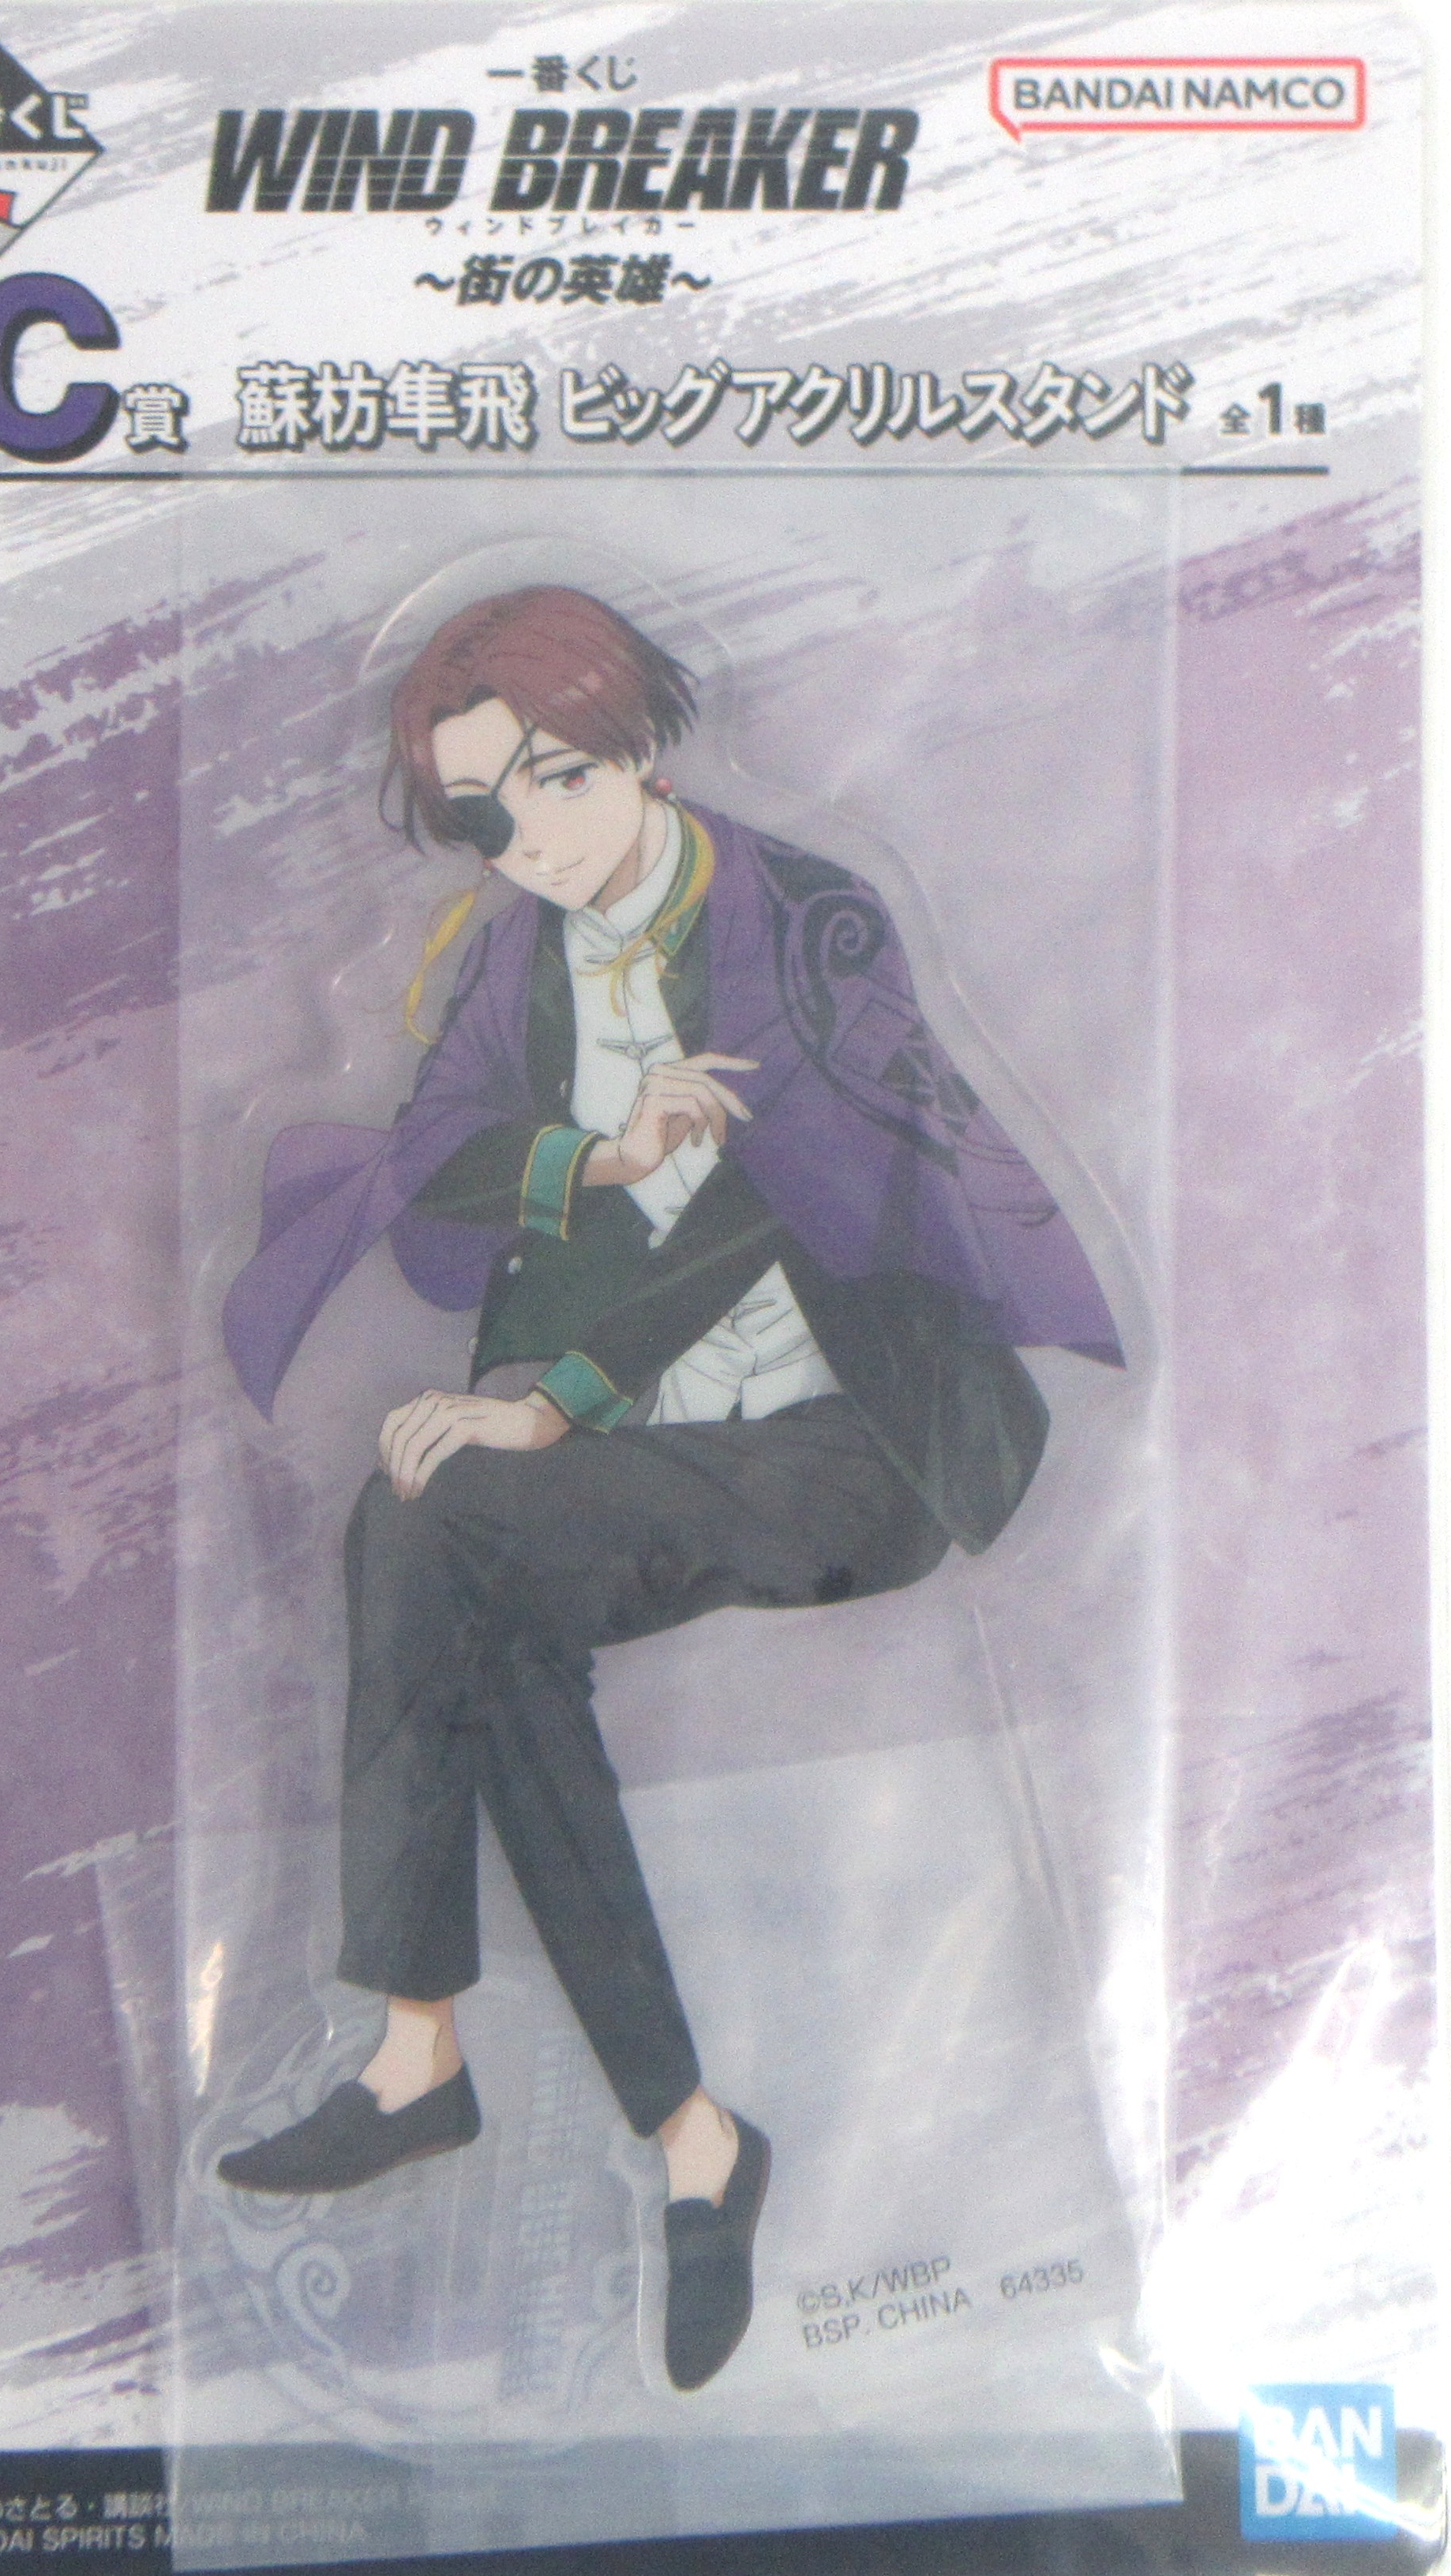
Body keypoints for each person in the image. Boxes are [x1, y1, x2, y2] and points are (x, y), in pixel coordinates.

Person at [216, 585, 1121, 2391]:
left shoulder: (799, 918)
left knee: (436, 1530)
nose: (536, 841)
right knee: (447, 1576)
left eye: (559, 780)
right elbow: (435, 1157)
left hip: (853, 1440)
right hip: (657, 1443)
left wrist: (551, 1402)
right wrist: (593, 1154)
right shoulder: (513, 954)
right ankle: (675, 2139)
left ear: (635, 741)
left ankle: (431, 2062)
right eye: (489, 816)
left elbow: (789, 1196)